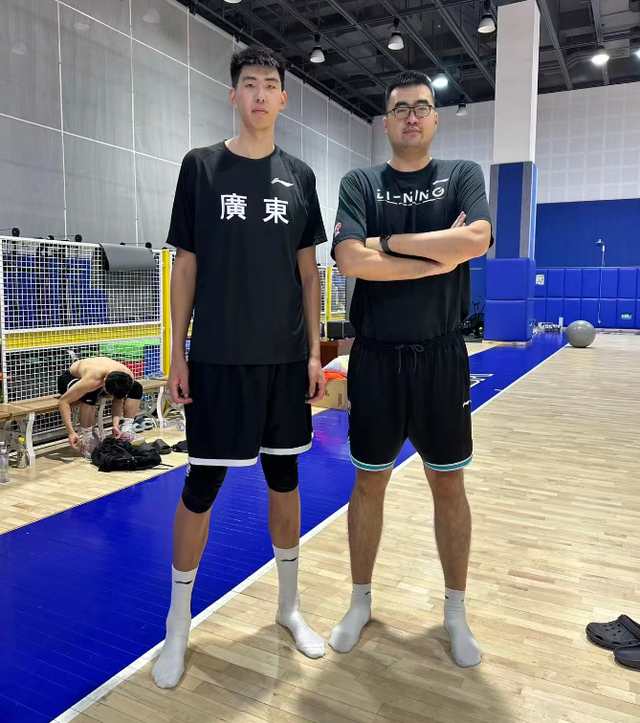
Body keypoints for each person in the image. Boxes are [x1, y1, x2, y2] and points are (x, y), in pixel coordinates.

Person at [152, 46, 327, 689]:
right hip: (219, 357)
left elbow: (309, 273)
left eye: (269, 84)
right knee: (201, 486)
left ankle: (289, 607)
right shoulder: (200, 167)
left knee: (285, 480)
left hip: (284, 358)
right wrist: (177, 354)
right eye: (248, 83)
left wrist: (315, 352)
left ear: (283, 99)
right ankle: (177, 626)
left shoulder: (300, 176)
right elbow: (186, 266)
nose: (259, 93)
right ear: (233, 95)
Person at [330, 70, 493, 667]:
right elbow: (351, 259)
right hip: (375, 357)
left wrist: (391, 243)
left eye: (422, 107)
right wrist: (435, 255)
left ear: (435, 118)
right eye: (400, 109)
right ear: (386, 121)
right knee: (369, 481)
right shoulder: (361, 182)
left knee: (448, 483)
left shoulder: (462, 174)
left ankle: (455, 611)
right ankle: (359, 602)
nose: (411, 117)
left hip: (441, 357)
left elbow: (476, 239)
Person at [57, 357, 143, 459]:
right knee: (90, 393)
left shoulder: (128, 376)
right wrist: (71, 432)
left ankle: (126, 429)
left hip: (100, 378)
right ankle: (87, 438)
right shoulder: (92, 379)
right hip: (71, 377)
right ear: (105, 381)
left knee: (136, 387)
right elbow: (63, 402)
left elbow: (118, 399)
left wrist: (115, 425)